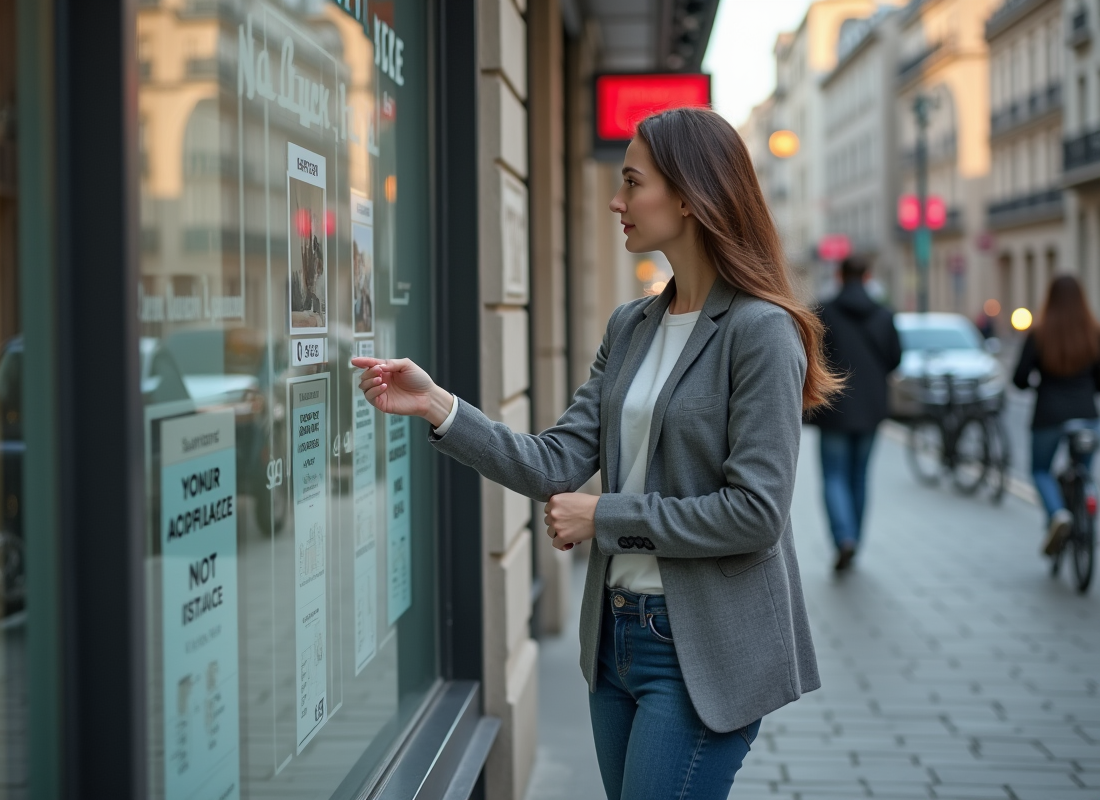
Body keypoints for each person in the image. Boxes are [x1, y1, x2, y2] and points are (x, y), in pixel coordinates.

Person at [351, 108, 840, 800]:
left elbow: (755, 514)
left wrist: (604, 517)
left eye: (632, 182)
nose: (617, 200)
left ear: (688, 196)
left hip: (701, 652)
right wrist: (437, 405)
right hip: (616, 639)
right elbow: (553, 463)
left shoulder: (762, 333)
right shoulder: (632, 325)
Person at [808, 255, 901, 571]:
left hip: (835, 408)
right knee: (860, 475)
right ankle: (855, 541)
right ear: (867, 276)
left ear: (839, 275)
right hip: (872, 408)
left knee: (834, 475)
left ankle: (843, 538)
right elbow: (895, 359)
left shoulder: (824, 312)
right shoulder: (884, 314)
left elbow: (810, 359)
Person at [1012, 274, 1100, 556]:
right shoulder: (1093, 333)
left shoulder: (1040, 334)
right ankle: (1084, 505)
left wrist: (1034, 384)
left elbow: (1019, 377)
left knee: (1040, 470)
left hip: (1049, 414)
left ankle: (1057, 513)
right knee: (1083, 470)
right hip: (1086, 414)